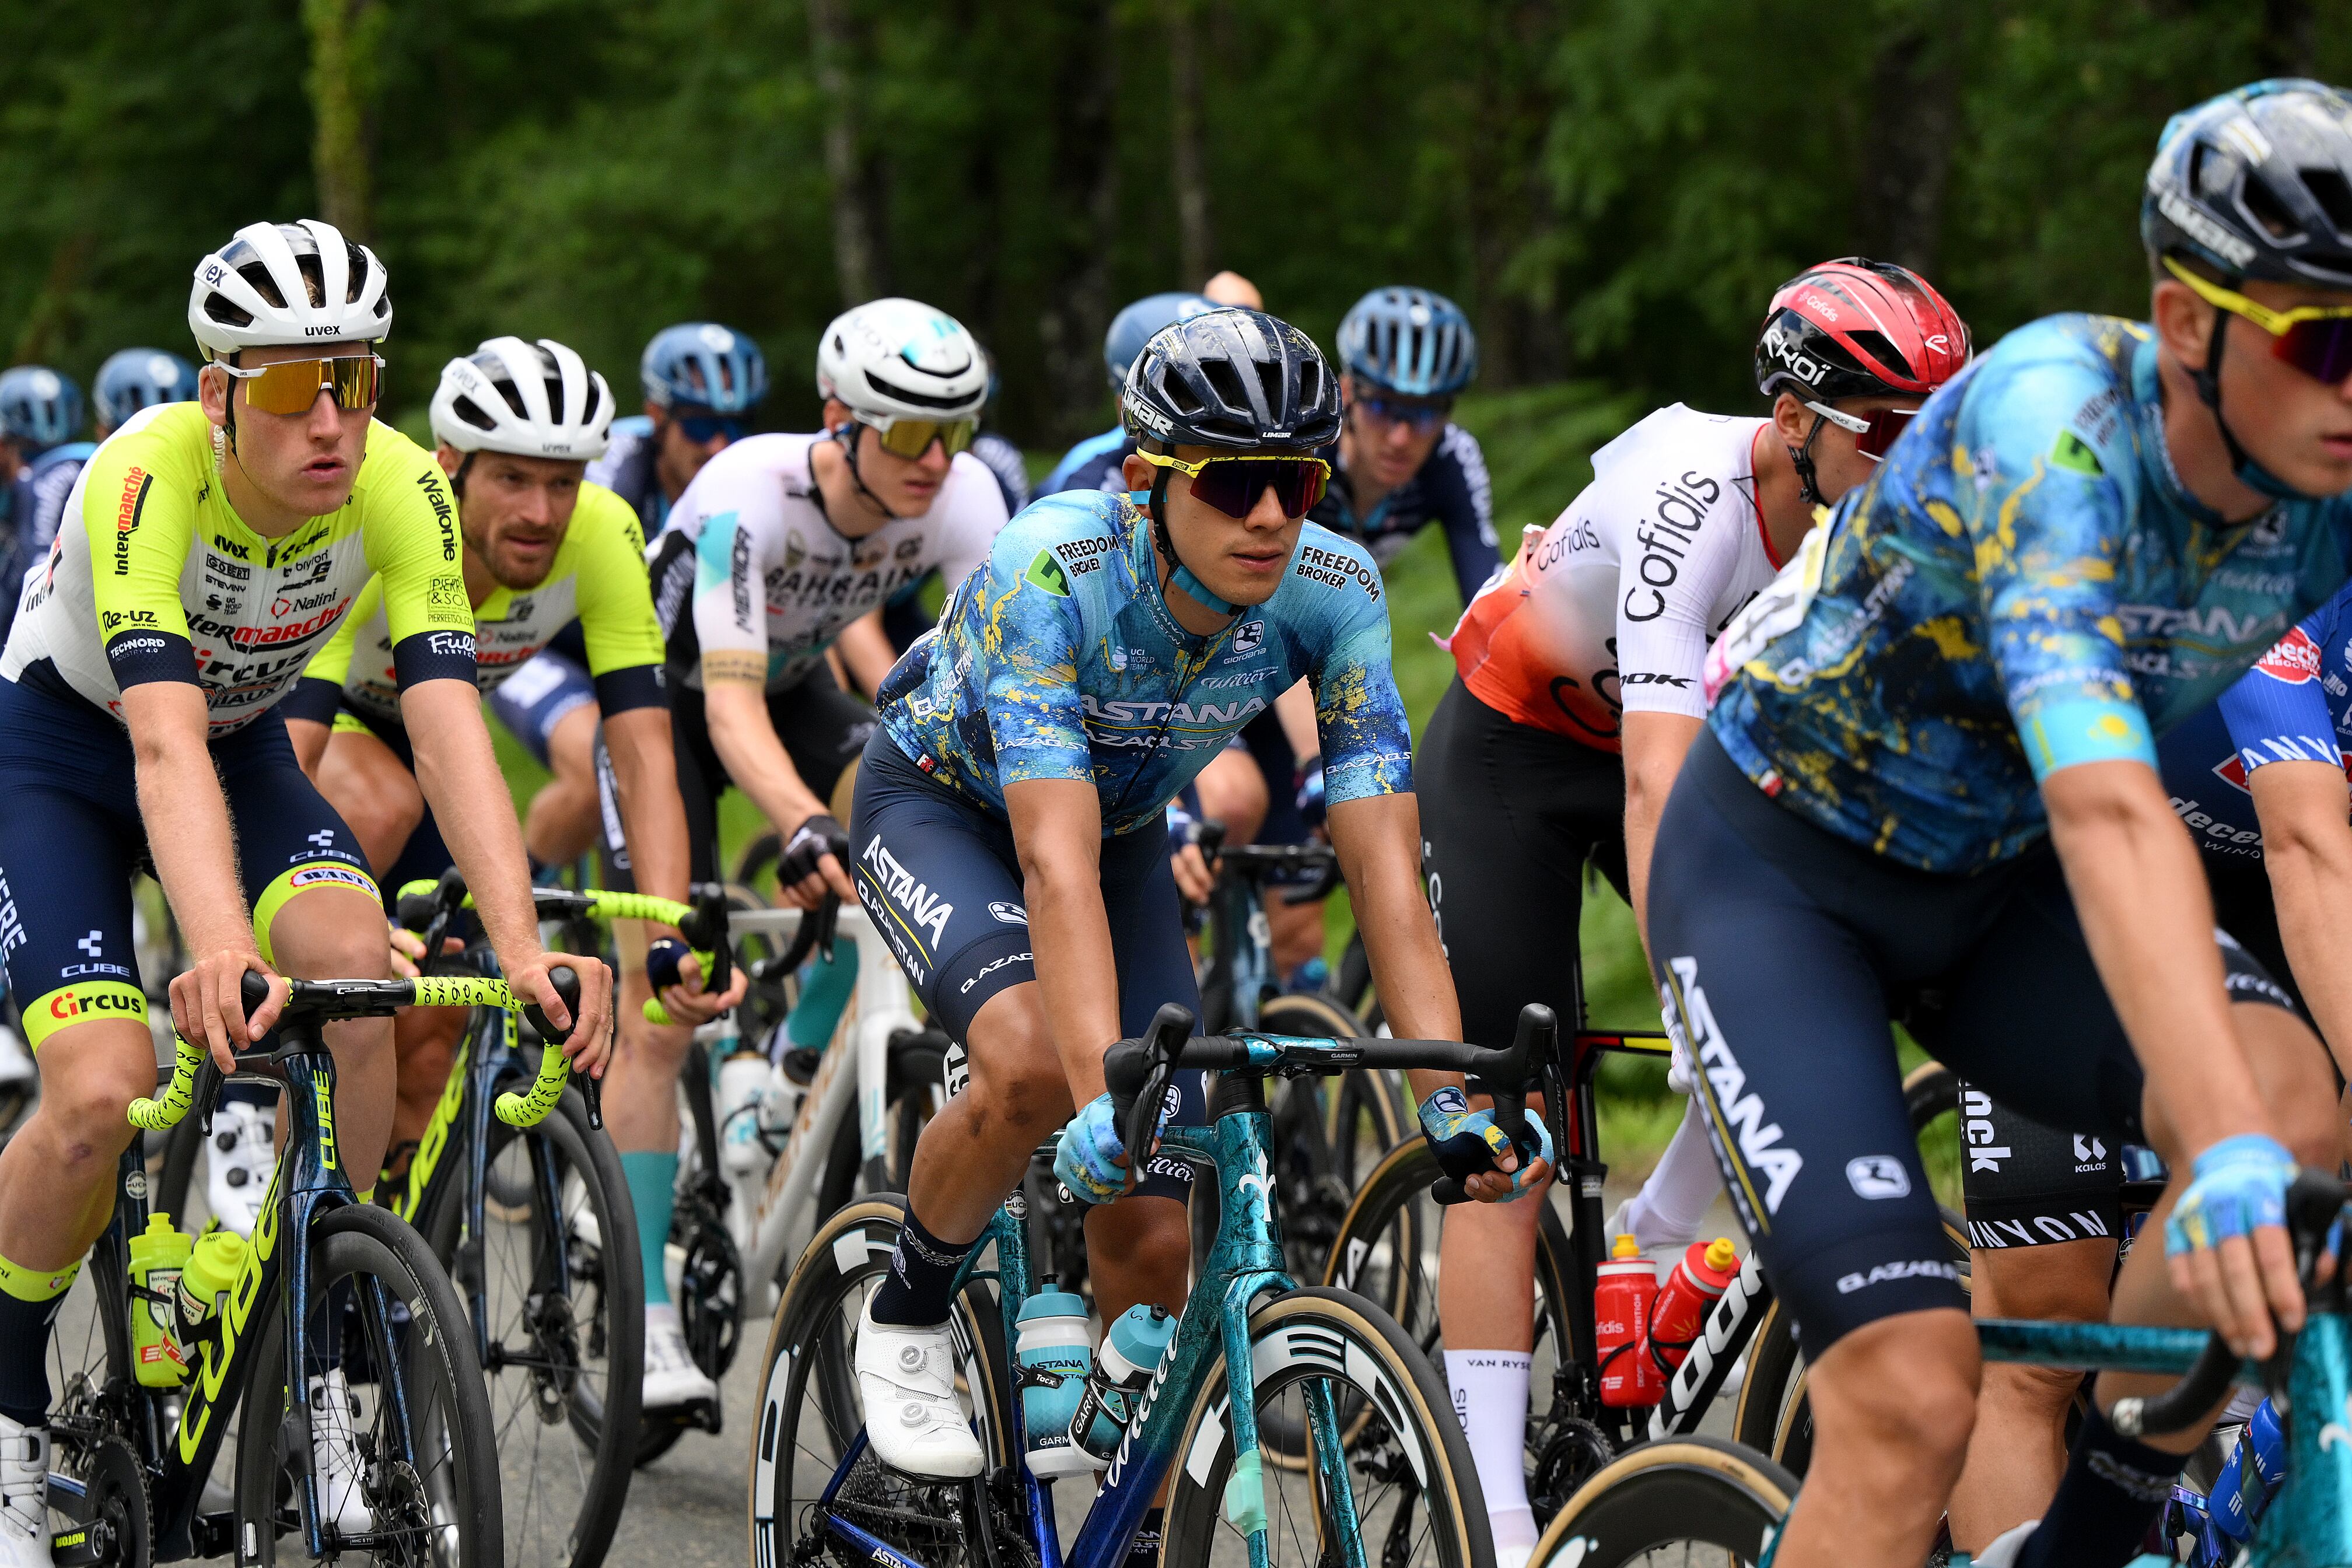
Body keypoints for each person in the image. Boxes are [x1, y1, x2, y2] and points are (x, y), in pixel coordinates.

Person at [1643, 79, 2352, 1568]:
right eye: (2325, 340)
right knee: (1913, 1397)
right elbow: (2105, 807)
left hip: (1993, 891)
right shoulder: (2057, 435)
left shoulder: (2326, 482)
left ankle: (2089, 1534)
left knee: (2298, 1119)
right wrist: (2205, 1133)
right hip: (1787, 876)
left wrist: (2240, 1133)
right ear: (2184, 324)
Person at [845, 309, 1543, 1518]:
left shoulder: (1333, 591)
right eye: (1232, 483)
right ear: (1146, 481)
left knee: (1160, 1242)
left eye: (1296, 481)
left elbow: (1384, 867)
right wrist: (1094, 1082)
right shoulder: (1052, 566)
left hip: (1113, 832)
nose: (1270, 515)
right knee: (1028, 1068)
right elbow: (1047, 863)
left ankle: (1125, 1508)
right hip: (942, 807)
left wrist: (1445, 1098)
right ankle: (906, 1301)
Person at [0, 219, 611, 1560]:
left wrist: (519, 942)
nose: (329, 417)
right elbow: (158, 744)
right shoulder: (142, 477)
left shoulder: (401, 485)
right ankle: (5, 1415)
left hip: (240, 747)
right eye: (291, 383)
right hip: (66, 750)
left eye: (356, 377)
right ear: (219, 393)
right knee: (98, 1091)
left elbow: (450, 725)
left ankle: (329, 1359)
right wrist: (217, 948)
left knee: (362, 983)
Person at [1423, 258, 1968, 1566]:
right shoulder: (1691, 488)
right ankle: (1490, 1508)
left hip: (1670, 750)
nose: (1919, 464)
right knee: (1512, 1131)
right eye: (1889, 434)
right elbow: (1657, 775)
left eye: (1938, 432)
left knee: (1818, 987)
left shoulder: (1876, 526)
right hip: (1514, 753)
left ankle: (1665, 1235)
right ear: (1793, 420)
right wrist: (1687, 978)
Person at [283, 334, 744, 1418]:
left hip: (439, 749)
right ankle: (265, 1107)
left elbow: (641, 750)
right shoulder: (378, 520)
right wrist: (306, 906)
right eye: (513, 479)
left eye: (563, 479)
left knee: (440, 1020)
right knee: (381, 838)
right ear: (449, 464)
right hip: (315, 739)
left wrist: (668, 929)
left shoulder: (604, 535)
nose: (542, 511)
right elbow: (288, 750)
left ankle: (373, 1240)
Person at [599, 295, 1006, 1406]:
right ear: (840, 418)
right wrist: (800, 820)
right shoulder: (747, 495)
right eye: (913, 432)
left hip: (795, 690)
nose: (938, 460)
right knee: (661, 990)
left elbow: (979, 697)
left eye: (957, 430)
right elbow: (724, 712)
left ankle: (775, 1070)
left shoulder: (964, 495)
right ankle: (644, 1319)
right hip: (665, 709)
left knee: (903, 853)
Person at [1944, 571, 2352, 1553]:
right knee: (2046, 1319)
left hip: (2261, 900)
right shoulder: (2292, 569)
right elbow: (2304, 840)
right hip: (2071, 870)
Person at [487, 321, 768, 872]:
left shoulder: (745, 484)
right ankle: (510, 909)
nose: (719, 444)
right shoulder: (614, 469)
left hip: (632, 650)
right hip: (544, 645)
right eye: (703, 423)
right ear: (658, 417)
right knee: (601, 770)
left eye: (737, 425)